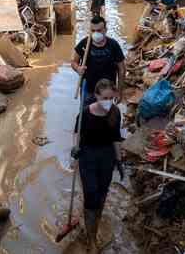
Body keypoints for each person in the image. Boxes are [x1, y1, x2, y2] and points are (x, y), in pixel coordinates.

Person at [71, 79, 124, 254]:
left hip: (107, 156)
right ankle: (91, 238)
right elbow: (77, 132)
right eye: (105, 97)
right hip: (88, 156)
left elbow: (116, 138)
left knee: (102, 192)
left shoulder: (115, 113)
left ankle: (96, 220)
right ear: (96, 96)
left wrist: (119, 159)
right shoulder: (85, 113)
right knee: (91, 194)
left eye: (111, 97)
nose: (108, 101)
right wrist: (75, 148)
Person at [72, 15, 125, 104]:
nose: (96, 33)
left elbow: (122, 69)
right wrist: (78, 68)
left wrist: (119, 92)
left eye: (99, 30)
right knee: (87, 115)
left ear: (105, 30)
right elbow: (74, 62)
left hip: (107, 92)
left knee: (104, 116)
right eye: (93, 31)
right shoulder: (84, 43)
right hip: (88, 90)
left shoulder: (113, 45)